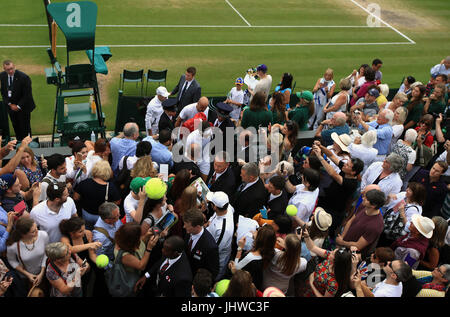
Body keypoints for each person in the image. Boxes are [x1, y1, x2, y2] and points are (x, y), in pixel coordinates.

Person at [312, 143, 363, 237]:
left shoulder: (351, 183)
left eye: (347, 165)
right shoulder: (346, 169)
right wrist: (321, 146)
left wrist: (320, 156)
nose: (344, 165)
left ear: (353, 172)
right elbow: (331, 155)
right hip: (326, 202)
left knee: (324, 232)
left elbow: (333, 174)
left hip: (333, 211)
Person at [301, 229, 353, 297]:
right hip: (307, 285)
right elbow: (312, 247)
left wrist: (312, 285)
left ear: (335, 261)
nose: (330, 252)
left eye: (332, 253)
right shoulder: (329, 256)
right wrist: (307, 237)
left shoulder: (334, 284)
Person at [336, 189, 386, 259]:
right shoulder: (364, 205)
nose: (363, 198)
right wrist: (342, 238)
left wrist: (342, 242)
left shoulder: (376, 226)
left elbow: (358, 245)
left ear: (373, 205)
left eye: (366, 199)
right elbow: (350, 221)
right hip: (343, 244)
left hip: (351, 255)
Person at [113, 222, 159, 297]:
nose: (140, 237)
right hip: (127, 284)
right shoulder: (125, 255)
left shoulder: (125, 240)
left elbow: (140, 243)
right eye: (138, 236)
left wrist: (147, 235)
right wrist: (149, 248)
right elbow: (141, 266)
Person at [59, 216, 101, 297]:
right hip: (73, 268)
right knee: (75, 289)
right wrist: (90, 245)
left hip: (86, 264)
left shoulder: (88, 233)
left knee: (86, 285)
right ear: (72, 233)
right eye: (80, 231)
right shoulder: (65, 239)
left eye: (84, 229)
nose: (83, 232)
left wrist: (97, 262)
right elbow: (70, 249)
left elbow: (91, 254)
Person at [73, 160, 121, 230]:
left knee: (87, 231)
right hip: (102, 217)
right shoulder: (111, 187)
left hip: (87, 214)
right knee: (101, 232)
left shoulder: (84, 183)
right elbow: (117, 202)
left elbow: (76, 197)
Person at [229, 225, 276, 291]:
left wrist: (240, 248)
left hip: (245, 286)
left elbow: (236, 269)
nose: (255, 232)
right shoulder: (271, 252)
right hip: (257, 283)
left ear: (259, 238)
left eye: (258, 231)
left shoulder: (251, 257)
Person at [6, 217, 48, 292]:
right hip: (25, 278)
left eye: (36, 228)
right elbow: (12, 261)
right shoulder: (13, 245)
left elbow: (46, 252)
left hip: (45, 273)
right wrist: (28, 274)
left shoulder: (43, 235)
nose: (37, 232)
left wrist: (42, 272)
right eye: (33, 231)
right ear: (23, 234)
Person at [0, 60, 36, 141]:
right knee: (16, 126)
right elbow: (3, 93)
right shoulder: (2, 76)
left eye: (11, 68)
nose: (10, 71)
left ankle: (27, 146)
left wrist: (18, 106)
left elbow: (27, 95)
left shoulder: (24, 77)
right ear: (4, 69)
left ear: (14, 66)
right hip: (11, 108)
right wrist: (10, 104)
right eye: (8, 69)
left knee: (25, 128)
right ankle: (19, 144)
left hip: (24, 108)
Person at [183, 208, 219, 281]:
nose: (184, 226)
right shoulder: (188, 232)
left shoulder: (210, 246)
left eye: (187, 225)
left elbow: (212, 272)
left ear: (197, 227)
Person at [205, 191, 234, 280]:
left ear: (215, 207)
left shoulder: (223, 229)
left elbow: (215, 250)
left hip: (217, 261)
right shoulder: (227, 207)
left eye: (211, 203)